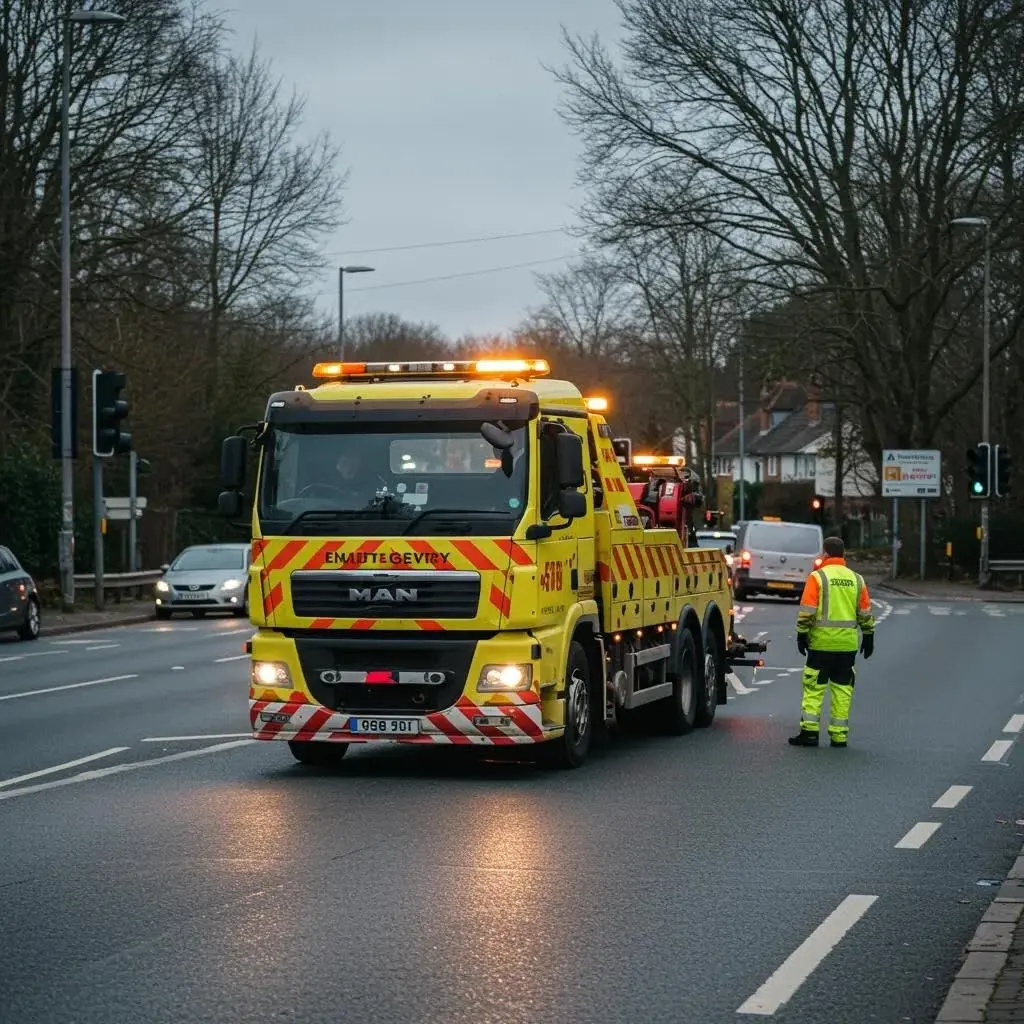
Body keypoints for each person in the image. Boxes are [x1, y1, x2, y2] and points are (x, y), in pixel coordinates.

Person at [788, 535, 875, 749]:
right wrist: (869, 635)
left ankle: (809, 733)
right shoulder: (857, 579)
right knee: (842, 690)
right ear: (843, 554)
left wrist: (801, 634)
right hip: (847, 646)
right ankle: (839, 736)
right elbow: (864, 612)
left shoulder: (818, 578)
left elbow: (807, 611)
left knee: (814, 688)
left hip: (821, 644)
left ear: (825, 554)